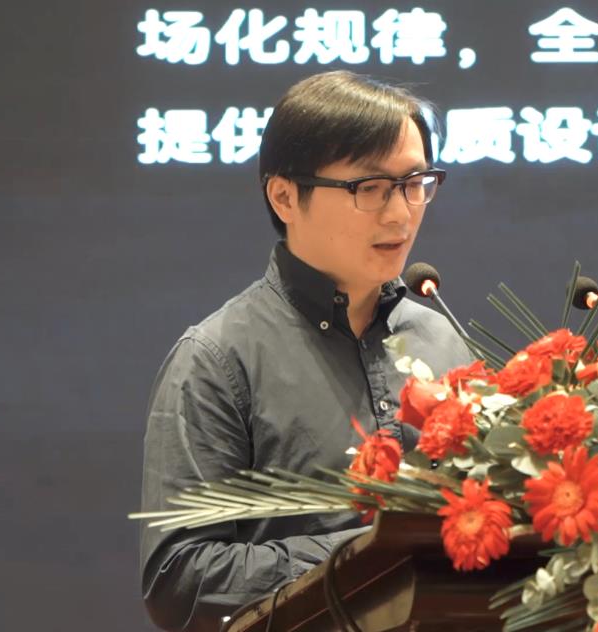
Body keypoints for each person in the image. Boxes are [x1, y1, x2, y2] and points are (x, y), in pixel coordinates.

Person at [138, 70, 473, 631]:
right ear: (285, 196)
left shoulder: (441, 338)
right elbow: (182, 580)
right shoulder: (217, 360)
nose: (401, 212)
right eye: (370, 187)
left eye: (415, 182)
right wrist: (373, 554)